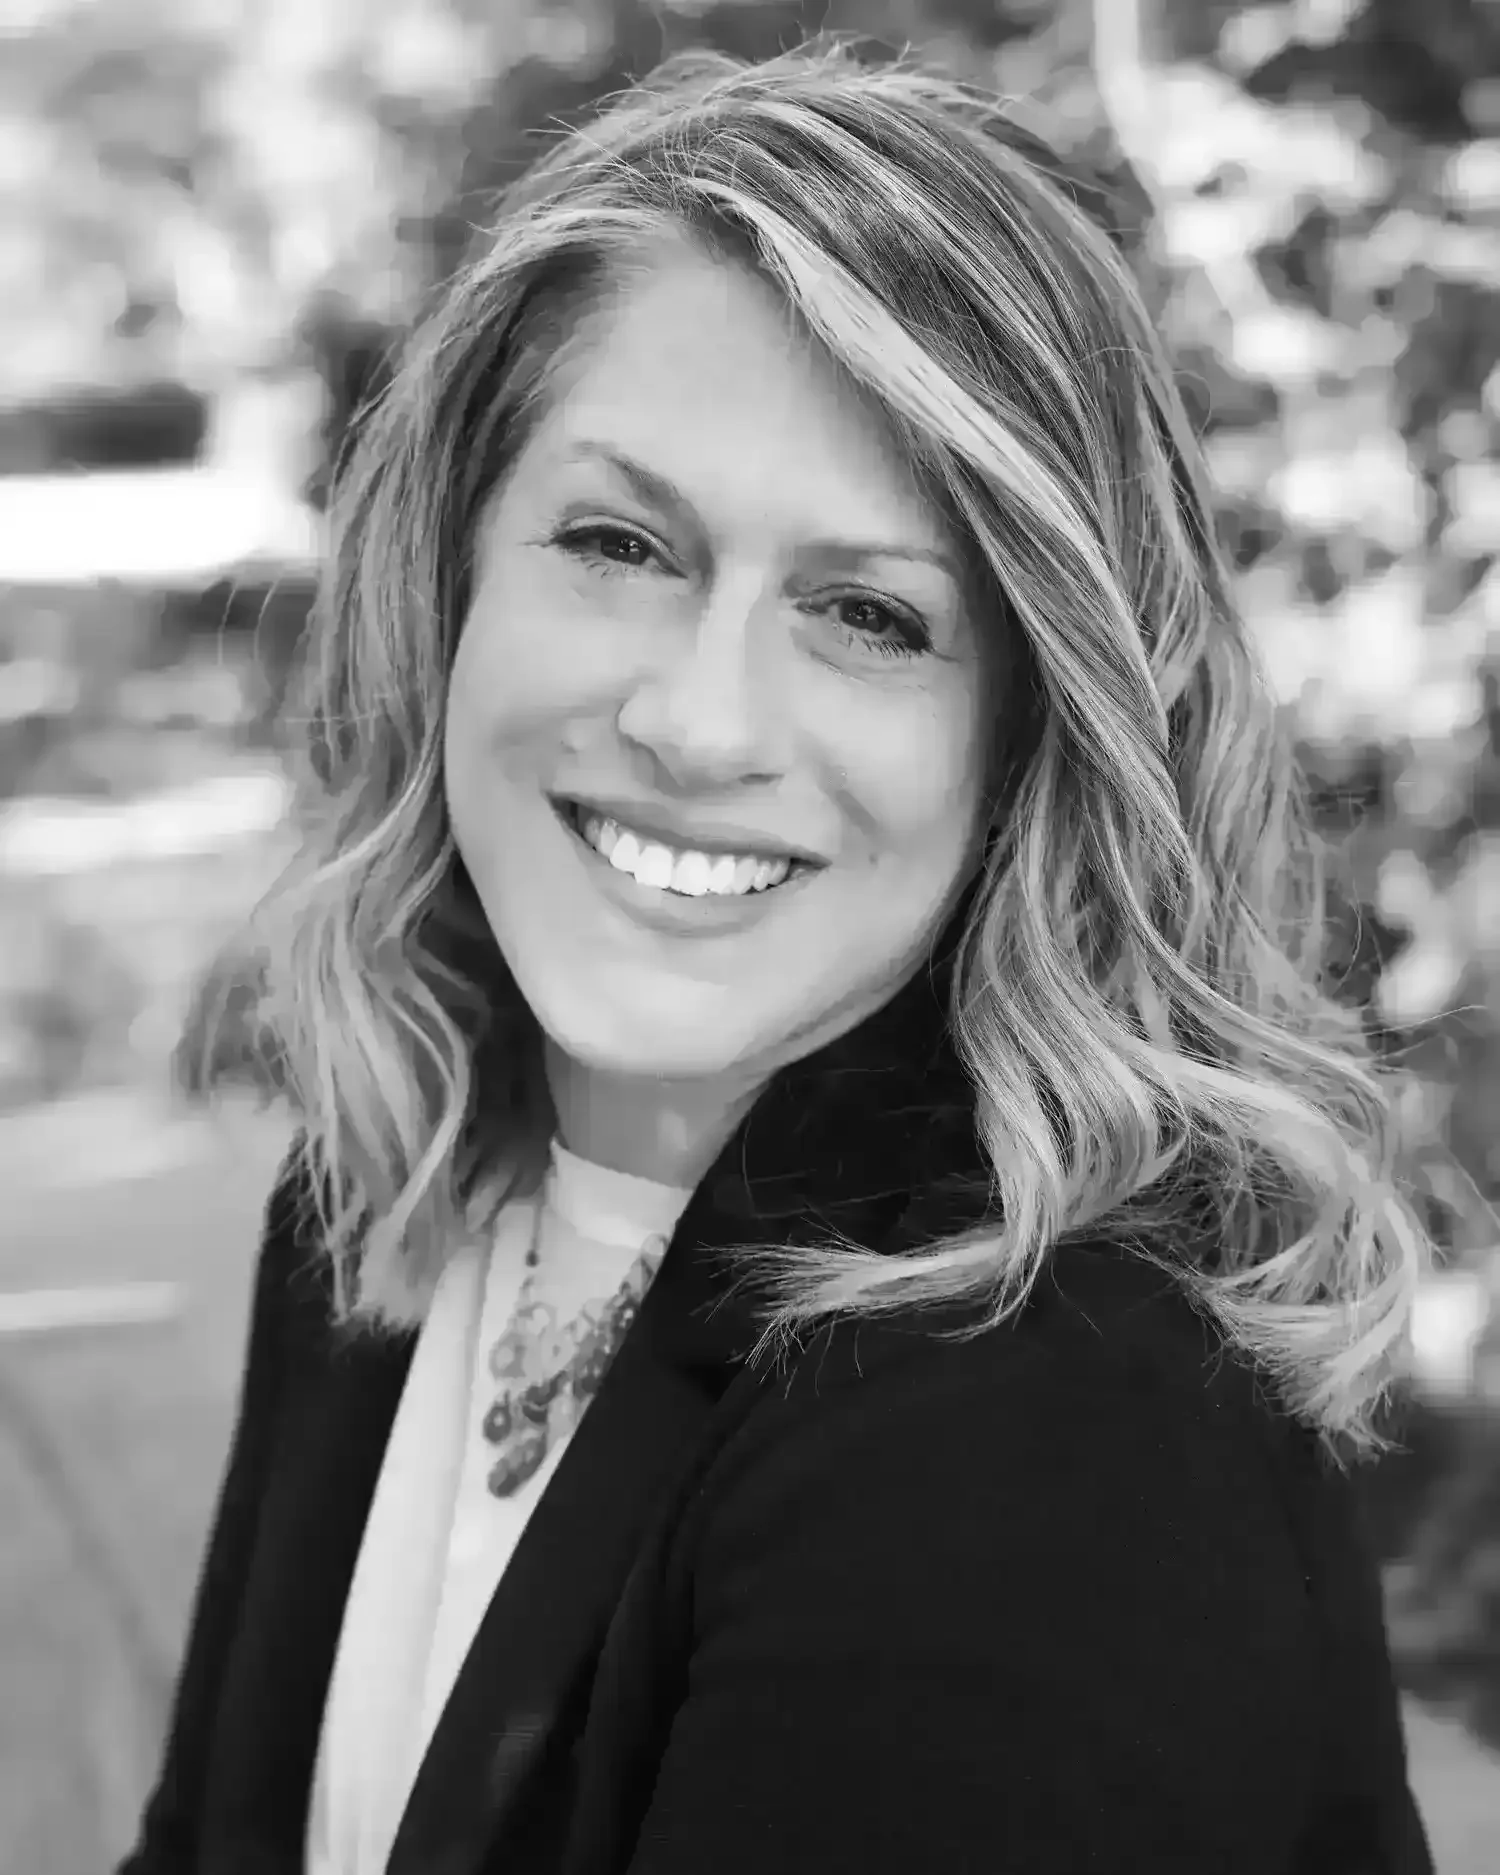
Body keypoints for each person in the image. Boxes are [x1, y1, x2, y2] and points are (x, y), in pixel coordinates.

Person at [119, 37, 1437, 1875]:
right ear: (452, 581)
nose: (699, 717)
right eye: (617, 540)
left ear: (1030, 736)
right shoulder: (392, 1168)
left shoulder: (1040, 1441)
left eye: (868, 614)